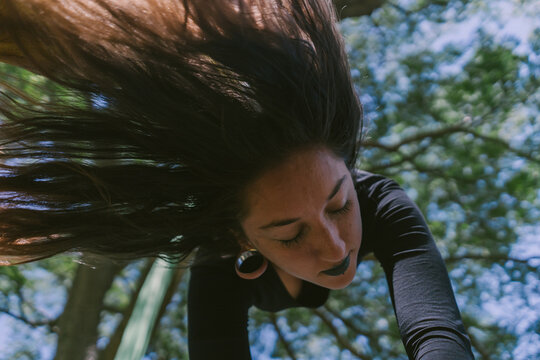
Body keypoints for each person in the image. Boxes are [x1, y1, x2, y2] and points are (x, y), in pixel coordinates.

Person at [0, 0, 475, 359]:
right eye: (290, 234)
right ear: (239, 237)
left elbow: (435, 330)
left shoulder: (381, 202)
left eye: (339, 206)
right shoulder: (220, 266)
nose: (334, 248)